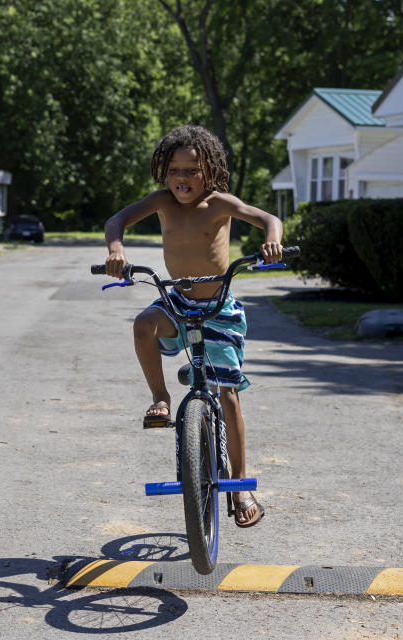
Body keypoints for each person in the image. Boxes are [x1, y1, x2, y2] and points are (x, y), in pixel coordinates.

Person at [103, 124, 283, 528]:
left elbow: (268, 218)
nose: (182, 179)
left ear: (210, 170)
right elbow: (117, 220)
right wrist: (116, 248)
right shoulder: (162, 202)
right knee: (142, 324)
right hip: (178, 303)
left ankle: (239, 483)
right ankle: (161, 397)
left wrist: (272, 241)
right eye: (174, 171)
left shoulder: (220, 204)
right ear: (164, 173)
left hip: (219, 307)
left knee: (229, 394)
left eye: (191, 170)